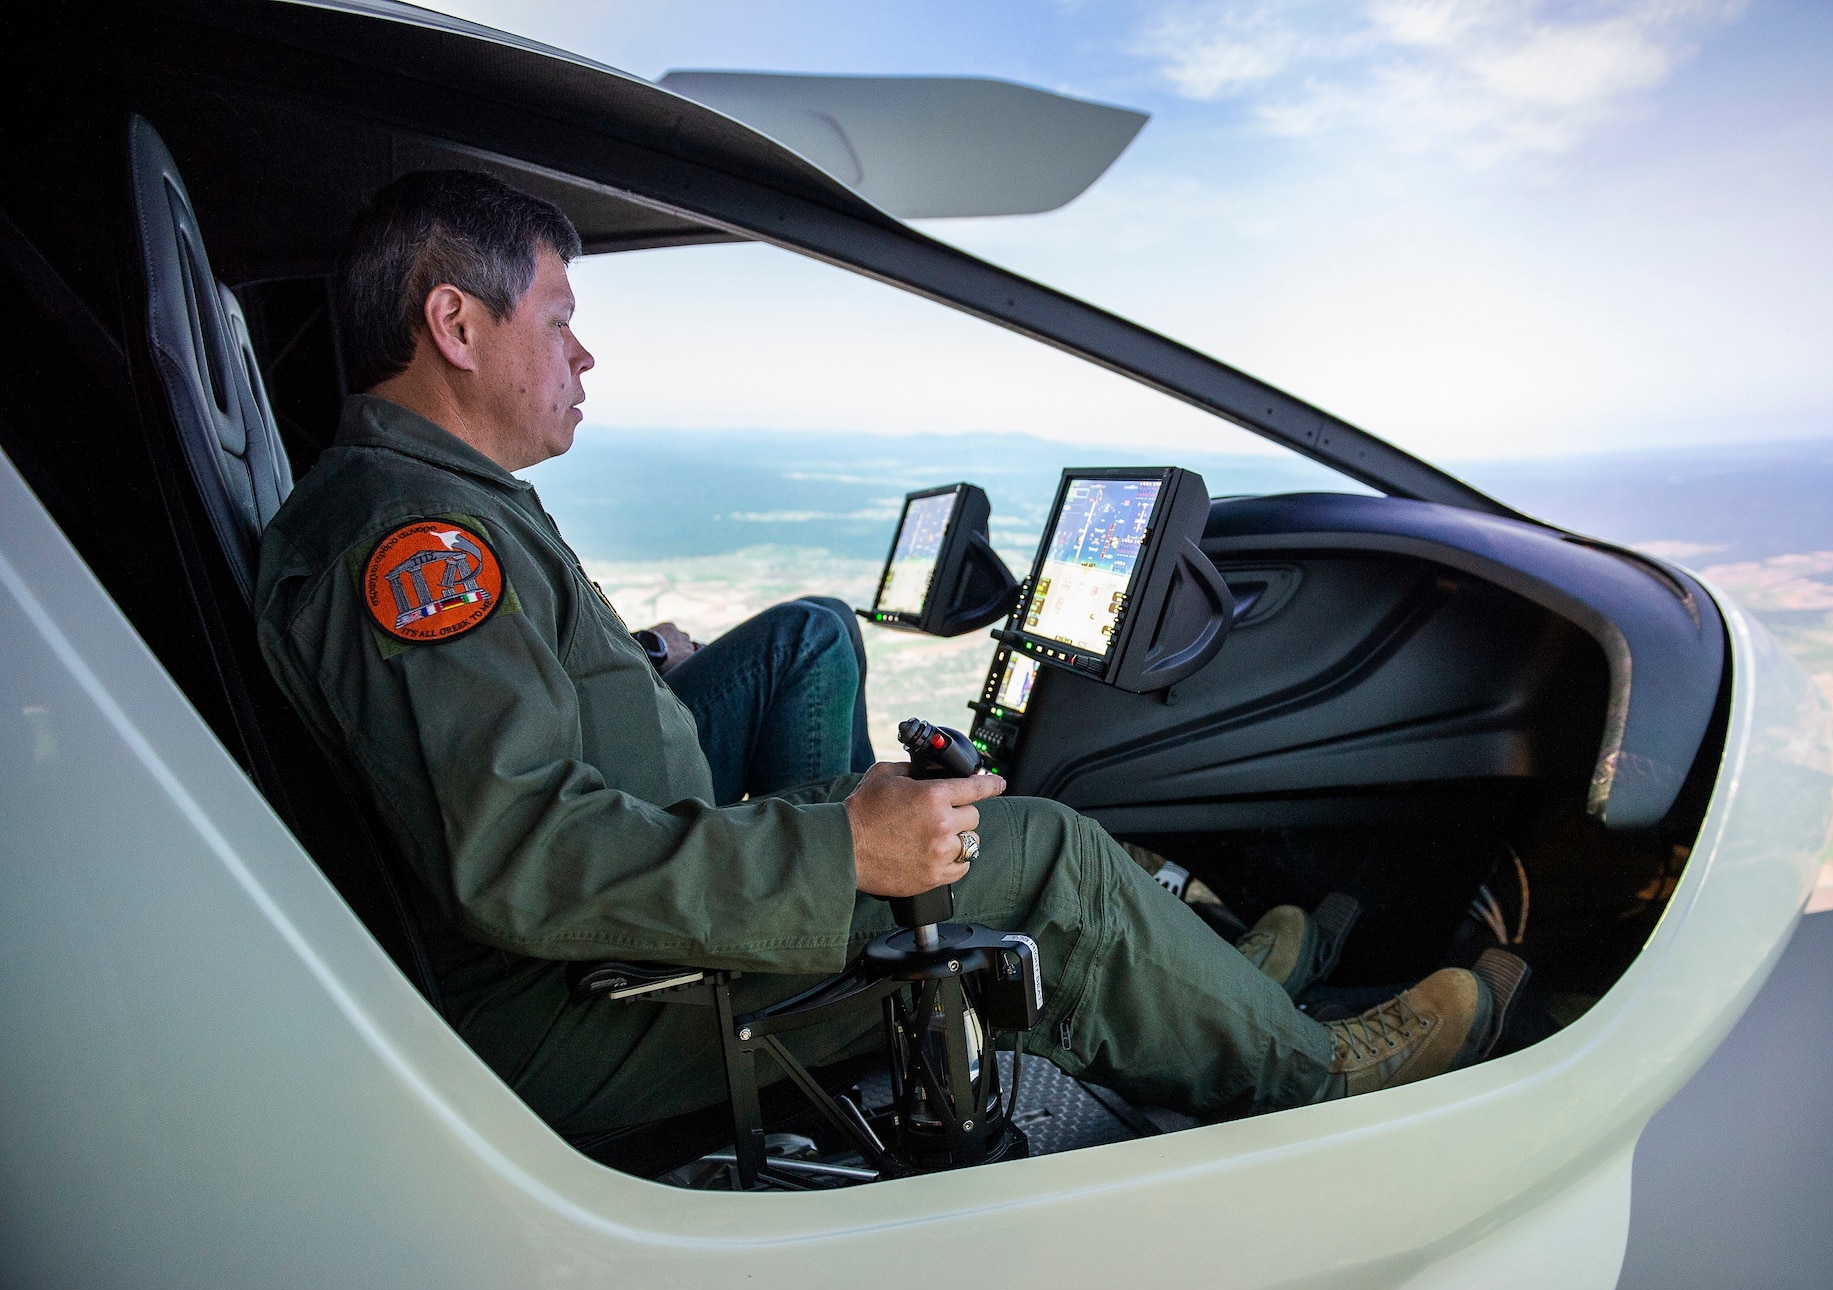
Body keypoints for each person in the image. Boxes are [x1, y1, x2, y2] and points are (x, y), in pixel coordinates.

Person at [255, 170, 1493, 1140]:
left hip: (603, 922)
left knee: (805, 637)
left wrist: (636, 659)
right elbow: (519, 855)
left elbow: (475, 718)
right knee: (1043, 851)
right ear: (457, 325)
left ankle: (1202, 973)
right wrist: (838, 850)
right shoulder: (415, 542)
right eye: (560, 320)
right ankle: (1309, 1072)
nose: (583, 357)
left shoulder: (429, 496)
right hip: (577, 1009)